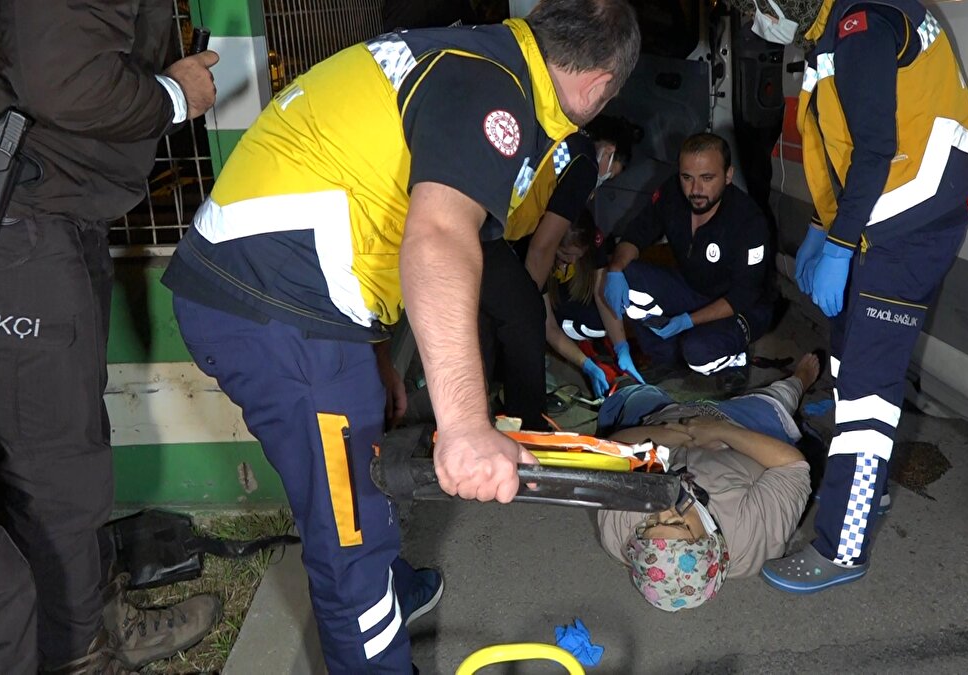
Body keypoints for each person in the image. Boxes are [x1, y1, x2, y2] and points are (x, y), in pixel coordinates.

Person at [160, 2, 640, 671]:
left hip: (296, 301)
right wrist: (468, 425)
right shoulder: (494, 91)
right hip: (281, 314)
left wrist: (377, 356)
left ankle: (385, 582)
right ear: (599, 85)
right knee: (347, 537)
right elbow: (440, 237)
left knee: (366, 476)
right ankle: (369, 608)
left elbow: (371, 211)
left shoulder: (469, 54)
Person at [0, 6, 221, 673]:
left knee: (64, 454)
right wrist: (172, 95)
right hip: (19, 219)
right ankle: (80, 654)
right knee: (57, 468)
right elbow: (65, 80)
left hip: (40, 205)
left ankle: (91, 619)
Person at [754, 0, 968, 593]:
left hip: (907, 221)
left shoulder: (861, 25)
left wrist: (838, 242)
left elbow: (876, 148)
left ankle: (841, 546)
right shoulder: (837, 28)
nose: (756, 17)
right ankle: (867, 483)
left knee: (865, 394)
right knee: (848, 351)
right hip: (885, 215)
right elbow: (844, 150)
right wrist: (821, 228)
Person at [595, 353, 820, 610]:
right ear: (710, 542)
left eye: (650, 523)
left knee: (630, 397)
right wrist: (719, 431)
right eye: (679, 523)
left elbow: (614, 448)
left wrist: (669, 434)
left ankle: (637, 392)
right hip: (741, 427)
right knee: (778, 399)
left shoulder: (619, 536)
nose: (663, 508)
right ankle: (799, 381)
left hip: (663, 422)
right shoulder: (752, 539)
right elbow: (793, 466)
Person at [479, 115, 637, 426]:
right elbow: (542, 247)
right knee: (524, 320)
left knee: (491, 320)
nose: (604, 180)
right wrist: (528, 303)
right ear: (608, 151)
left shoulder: (560, 141)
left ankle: (483, 417)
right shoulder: (585, 163)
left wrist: (620, 350)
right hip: (489, 232)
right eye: (611, 172)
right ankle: (530, 426)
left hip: (482, 222)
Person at [603, 133, 773, 394]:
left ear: (728, 176)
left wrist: (687, 321)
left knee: (698, 350)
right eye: (687, 177)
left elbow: (744, 294)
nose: (695, 190)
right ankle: (665, 357)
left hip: (740, 306)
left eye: (707, 178)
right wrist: (615, 271)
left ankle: (735, 360)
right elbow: (637, 234)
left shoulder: (748, 221)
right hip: (692, 287)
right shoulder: (672, 193)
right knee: (627, 273)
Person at [541, 209, 644, 398]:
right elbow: (549, 327)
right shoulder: (537, 255)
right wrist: (585, 363)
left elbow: (602, 295)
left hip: (570, 295)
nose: (572, 261)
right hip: (547, 305)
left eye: (578, 256)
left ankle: (600, 351)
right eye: (566, 254)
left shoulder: (594, 241)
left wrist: (622, 346)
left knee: (597, 321)